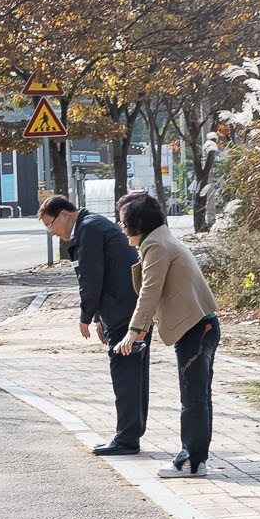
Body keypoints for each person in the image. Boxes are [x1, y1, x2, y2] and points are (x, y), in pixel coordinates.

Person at [113, 190, 219, 478]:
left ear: (138, 223)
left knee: (193, 398)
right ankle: (196, 460)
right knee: (198, 396)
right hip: (201, 326)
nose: (122, 230)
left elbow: (149, 291)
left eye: (124, 223)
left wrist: (133, 332)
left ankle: (192, 461)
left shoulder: (157, 246)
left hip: (195, 329)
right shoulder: (161, 237)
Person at [38, 193, 146, 455]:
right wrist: (99, 318)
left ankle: (127, 439)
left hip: (124, 312)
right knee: (134, 374)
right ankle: (130, 433)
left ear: (63, 214)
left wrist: (85, 316)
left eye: (50, 225)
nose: (52, 232)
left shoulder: (89, 230)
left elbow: (92, 277)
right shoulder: (93, 225)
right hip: (127, 310)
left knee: (126, 375)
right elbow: (104, 273)